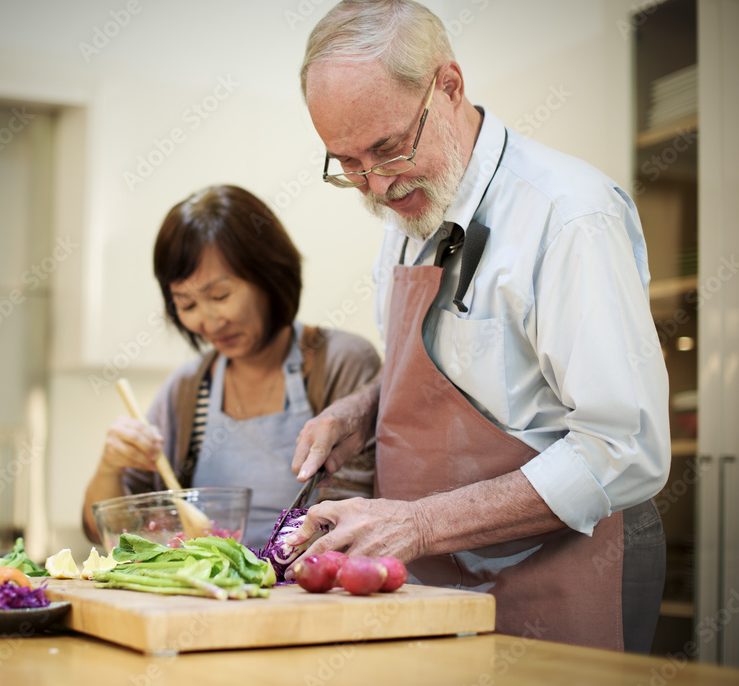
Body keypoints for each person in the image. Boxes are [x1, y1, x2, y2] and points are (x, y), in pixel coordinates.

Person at [286, 0, 670, 653]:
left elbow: (624, 449)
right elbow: (452, 369)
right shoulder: (405, 208)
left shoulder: (568, 215)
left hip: (570, 567)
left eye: (385, 149)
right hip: (444, 573)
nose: (374, 187)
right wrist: (362, 408)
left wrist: (422, 524)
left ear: (450, 86)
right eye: (346, 164)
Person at [82, 184, 382, 551]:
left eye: (220, 296)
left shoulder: (341, 361)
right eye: (187, 304)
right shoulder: (187, 389)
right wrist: (110, 465)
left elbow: (350, 521)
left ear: (269, 276)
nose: (209, 322)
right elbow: (110, 531)